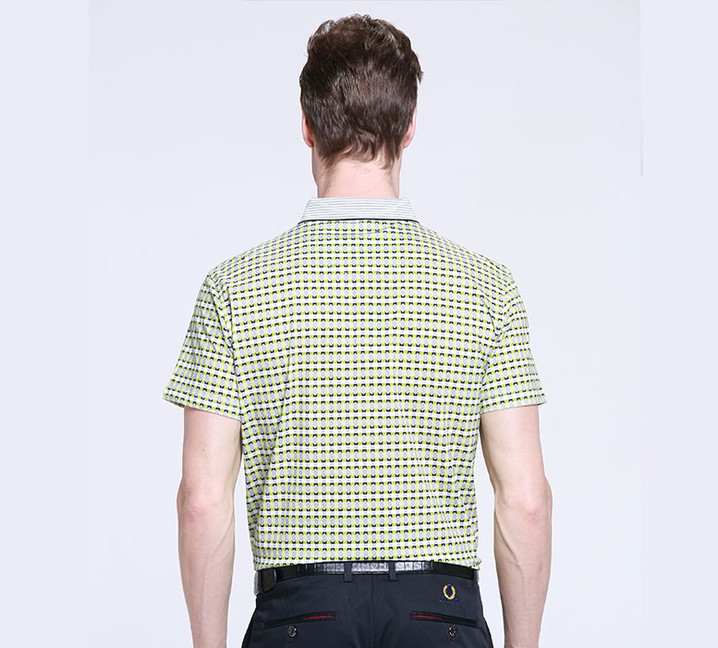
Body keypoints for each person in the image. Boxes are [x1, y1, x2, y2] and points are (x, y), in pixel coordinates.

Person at [163, 14, 552, 648]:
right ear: (410, 125)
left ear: (307, 125)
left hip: (300, 615)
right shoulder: (486, 288)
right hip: (440, 616)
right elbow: (525, 500)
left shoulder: (234, 289)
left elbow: (201, 501)